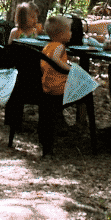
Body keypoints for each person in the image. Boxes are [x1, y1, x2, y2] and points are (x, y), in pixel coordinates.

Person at [38, 14, 73, 156]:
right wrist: (69, 69)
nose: (71, 33)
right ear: (61, 34)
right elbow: (55, 59)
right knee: (86, 83)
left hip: (46, 84)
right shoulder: (59, 46)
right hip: (58, 88)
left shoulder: (48, 46)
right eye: (69, 30)